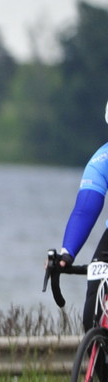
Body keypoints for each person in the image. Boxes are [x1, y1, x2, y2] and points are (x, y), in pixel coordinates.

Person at [48, 102, 108, 331]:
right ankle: (97, 347)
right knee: (92, 313)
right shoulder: (102, 161)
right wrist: (67, 253)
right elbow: (85, 210)